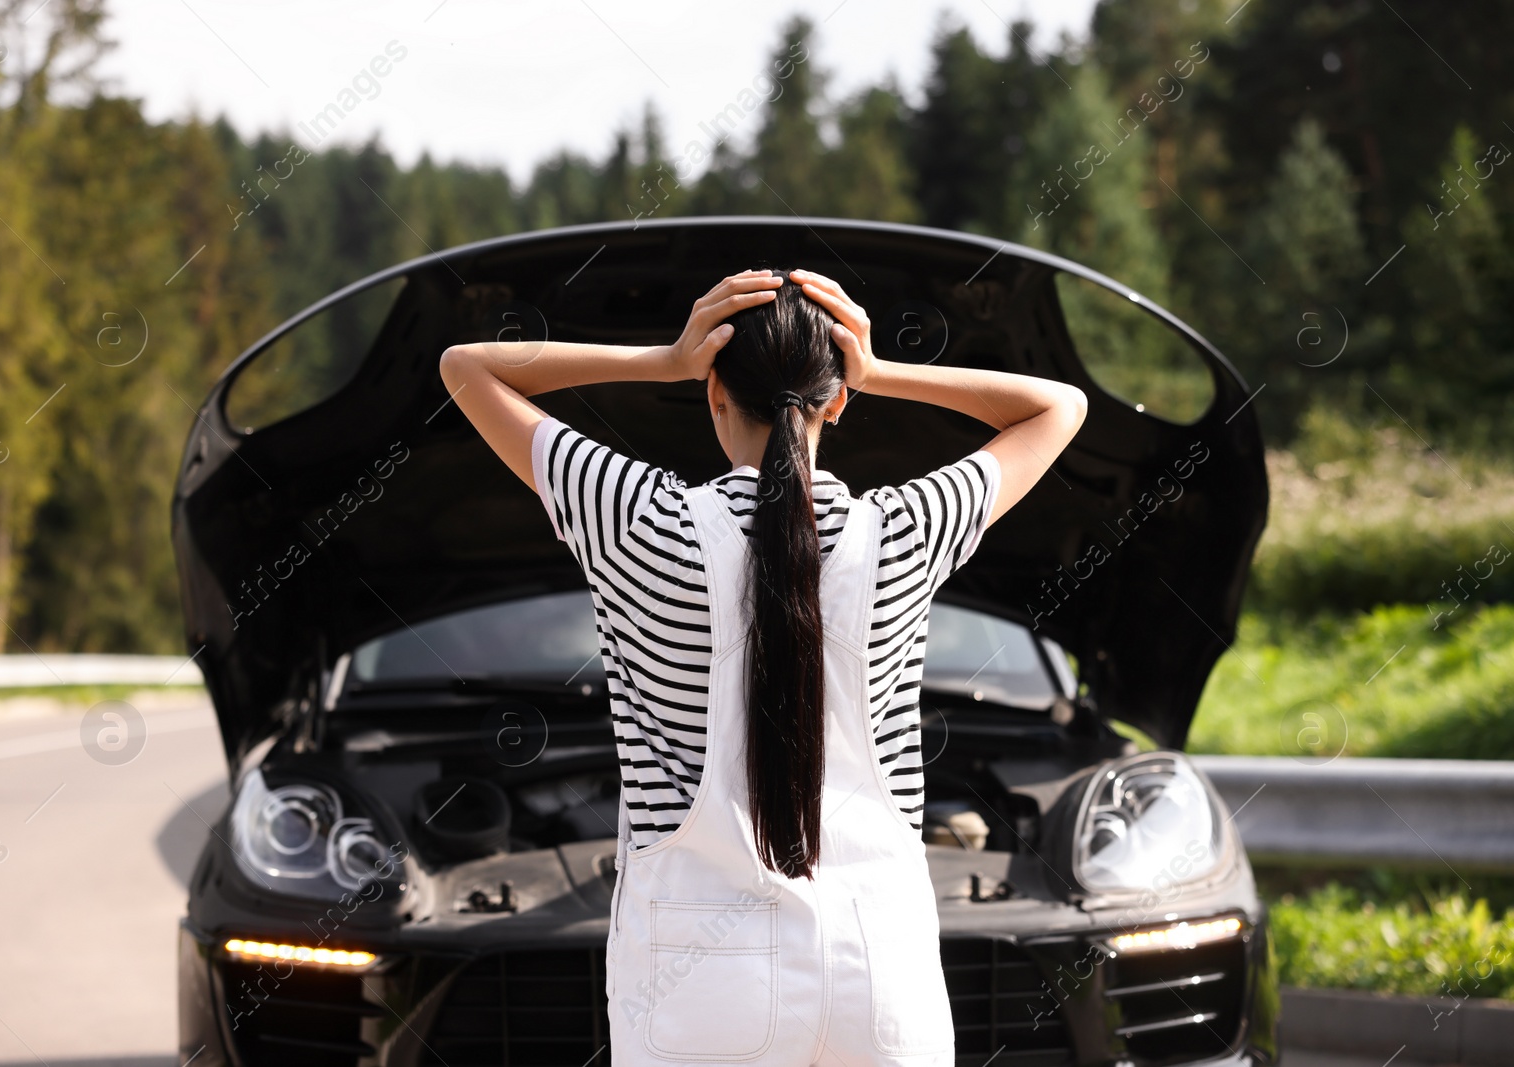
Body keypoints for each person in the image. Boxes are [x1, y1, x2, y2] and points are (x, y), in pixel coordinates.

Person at [439, 268, 1086, 1066]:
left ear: (714, 395)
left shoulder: (636, 518)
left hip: (696, 981)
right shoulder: (905, 531)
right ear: (837, 401)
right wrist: (881, 368)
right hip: (879, 970)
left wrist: (664, 358)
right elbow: (1059, 406)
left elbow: (467, 367)